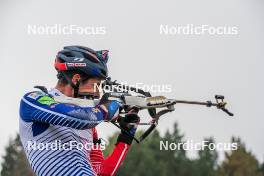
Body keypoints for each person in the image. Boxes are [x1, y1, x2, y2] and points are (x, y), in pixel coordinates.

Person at [19, 46, 139, 176]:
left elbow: (100, 172)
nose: (98, 93)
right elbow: (79, 117)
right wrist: (106, 108)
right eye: (95, 86)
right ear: (76, 80)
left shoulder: (90, 124)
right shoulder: (33, 100)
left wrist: (125, 138)